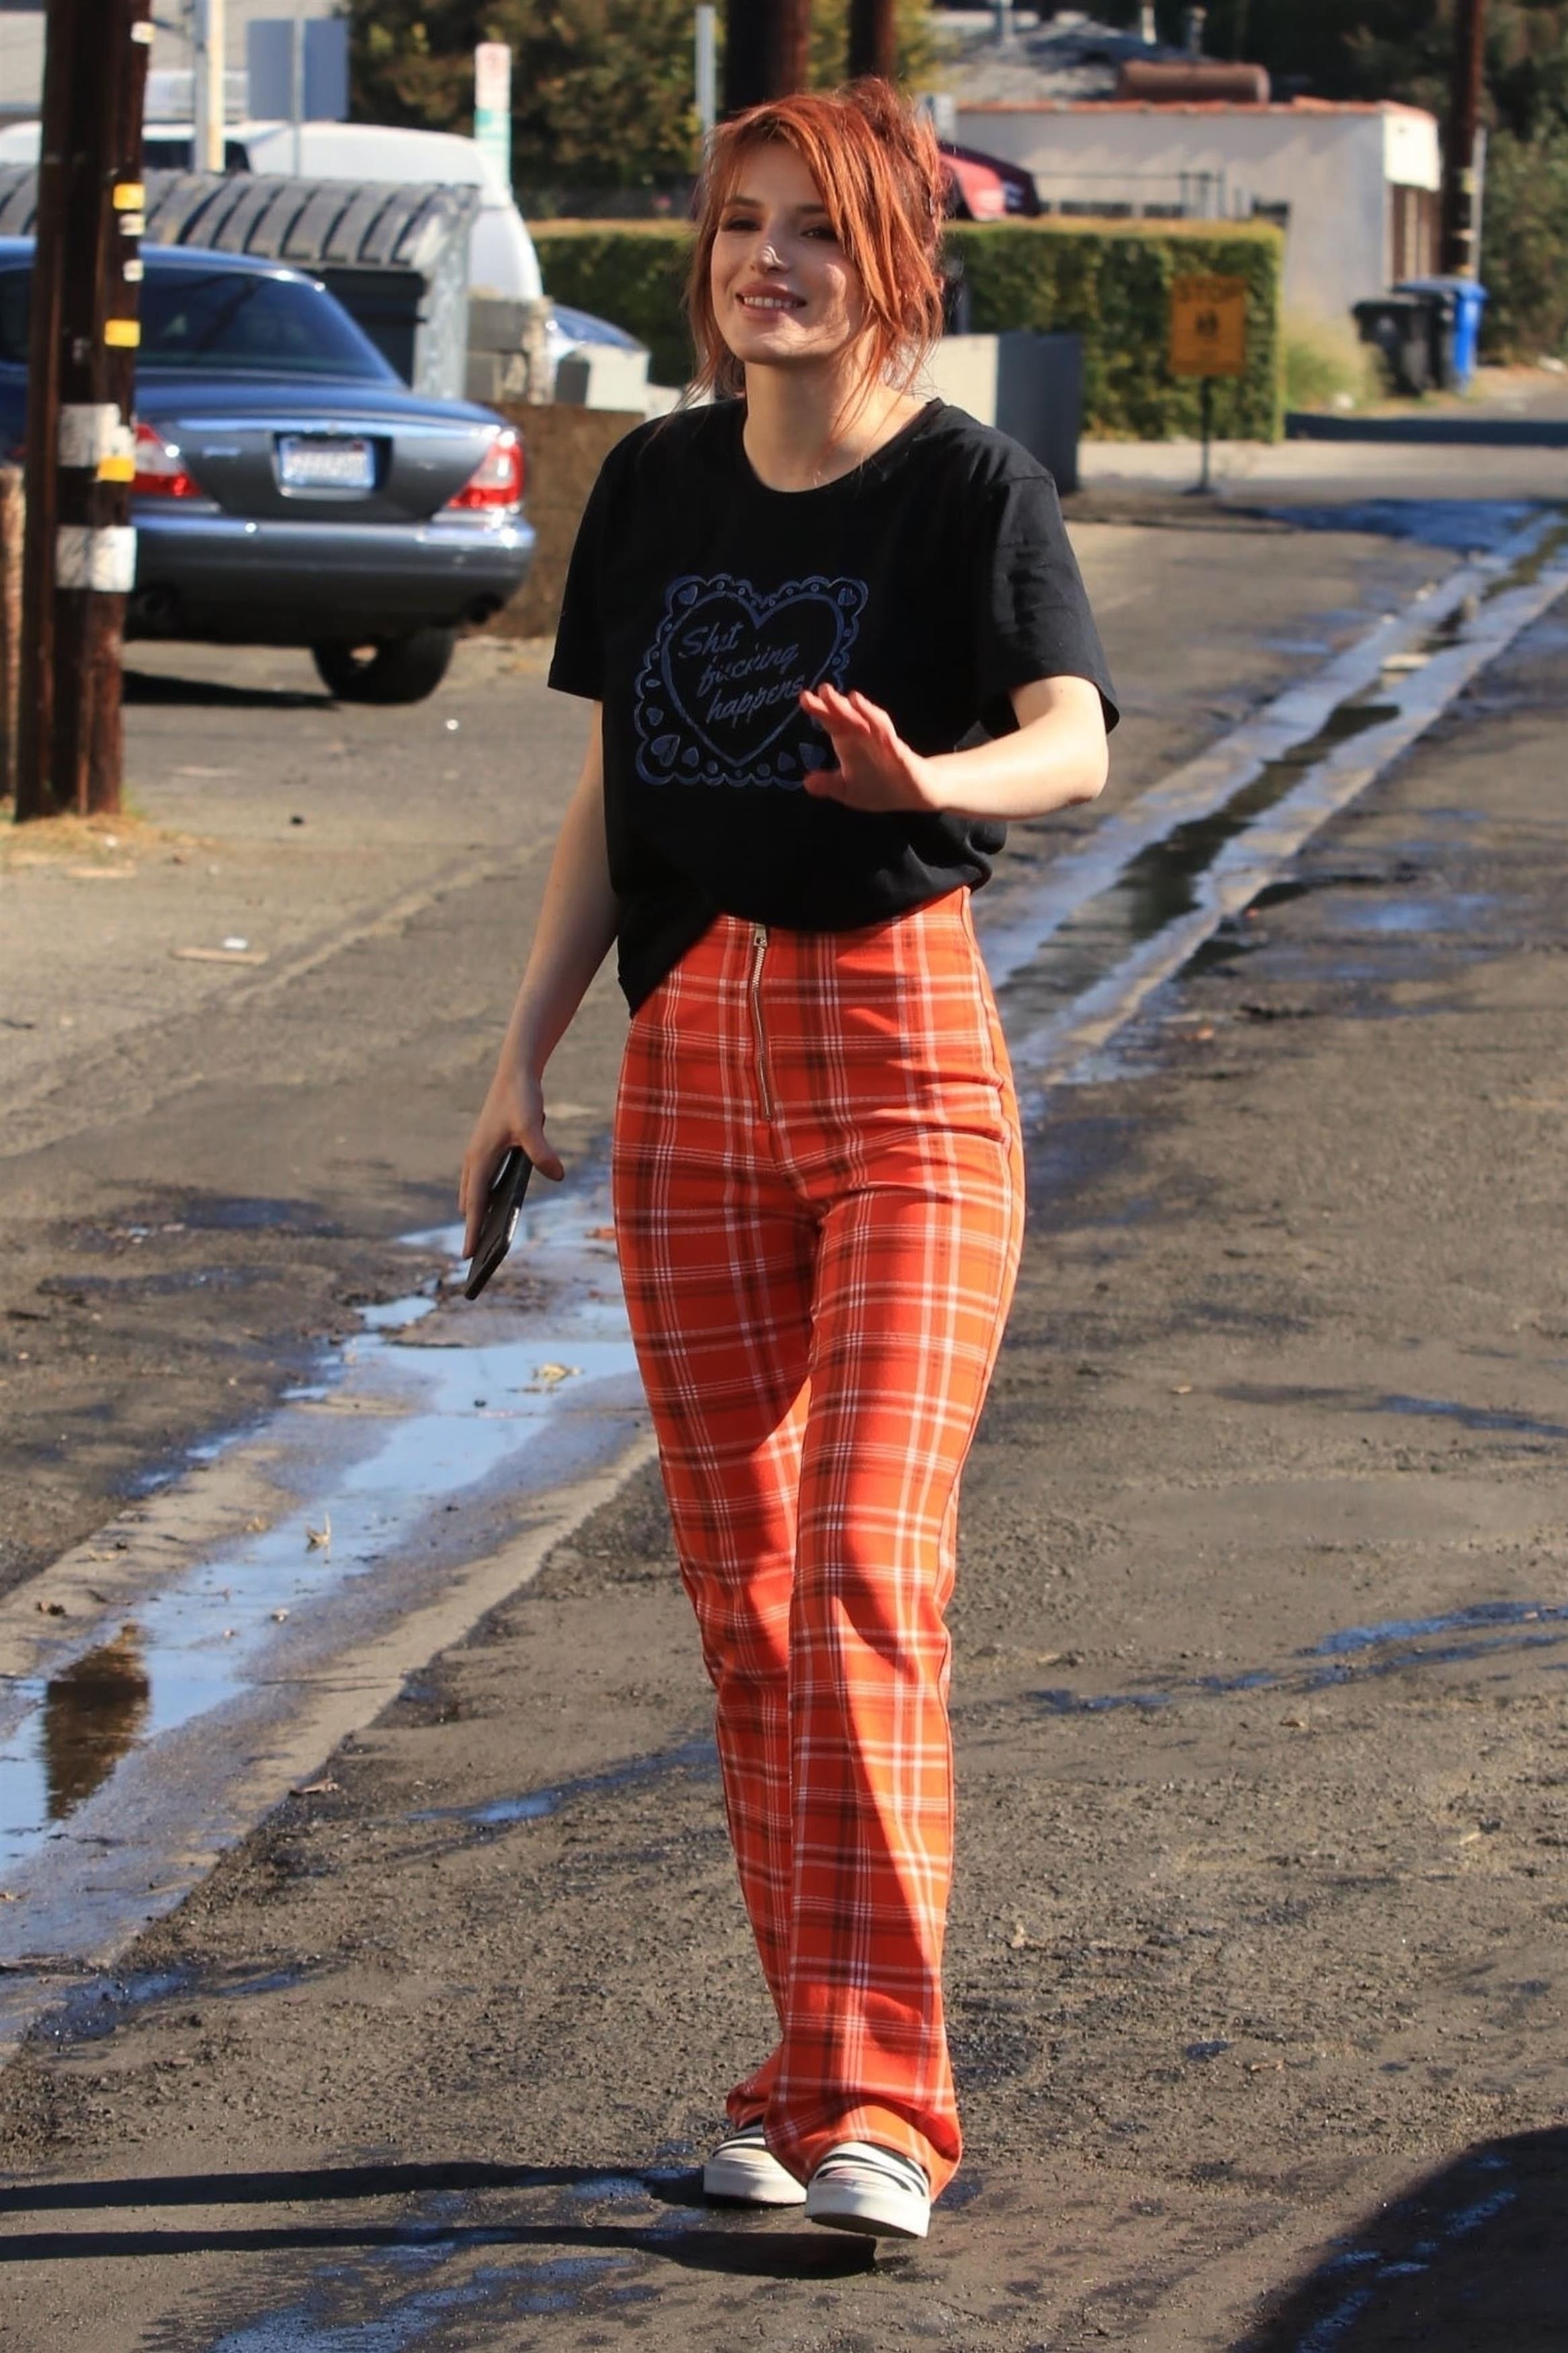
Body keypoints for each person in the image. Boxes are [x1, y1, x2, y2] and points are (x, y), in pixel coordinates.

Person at [460, 78, 1117, 2242]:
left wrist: (933, 776)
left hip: (902, 1058)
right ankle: (809, 2066)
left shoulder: (967, 487)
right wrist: (521, 1051)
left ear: (894, 257)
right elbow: (610, 790)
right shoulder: (656, 485)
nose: (770, 262)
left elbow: (1075, 740)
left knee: (858, 1564)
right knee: (748, 1599)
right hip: (692, 1058)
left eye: (816, 229)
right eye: (743, 223)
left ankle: (891, 2107)